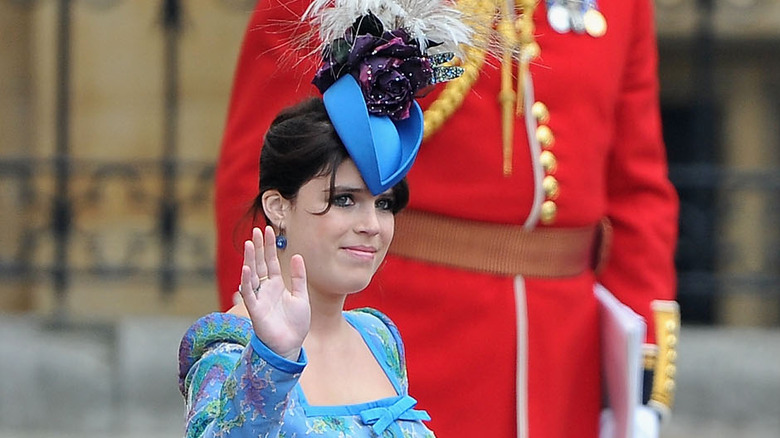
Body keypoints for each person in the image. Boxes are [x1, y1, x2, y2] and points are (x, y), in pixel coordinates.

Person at [214, 1, 681, 437]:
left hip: (565, 367)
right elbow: (268, 177)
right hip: (401, 344)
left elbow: (637, 195)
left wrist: (637, 378)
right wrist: (273, 353)